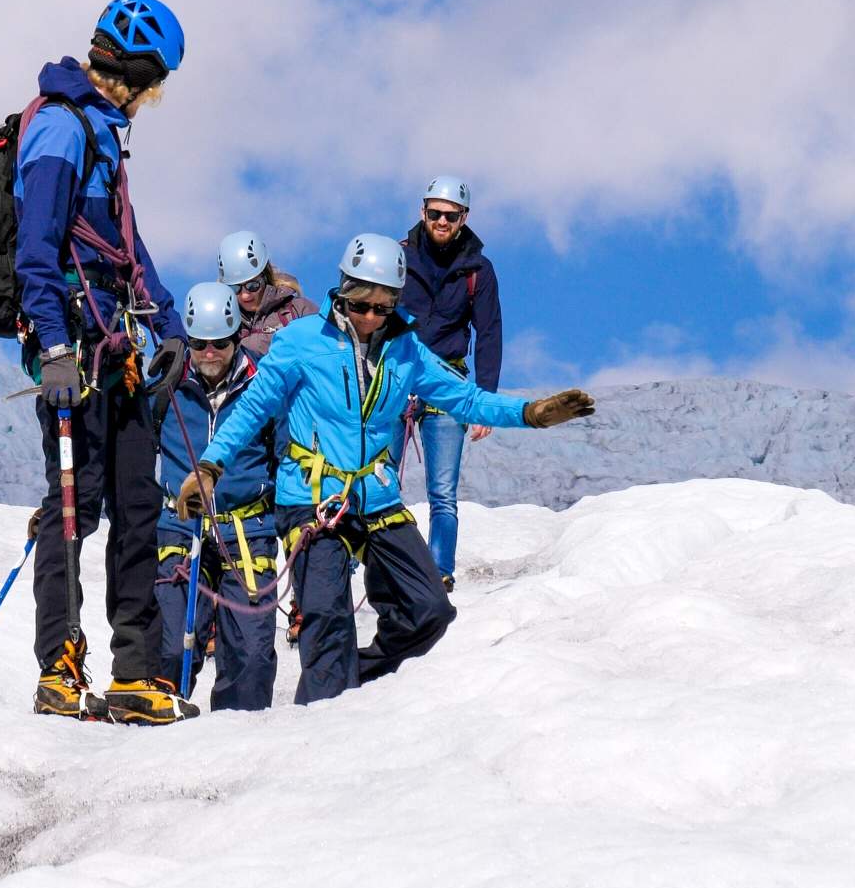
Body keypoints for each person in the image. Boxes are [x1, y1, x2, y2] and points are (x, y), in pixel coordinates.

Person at [175, 234, 595, 705]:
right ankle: (321, 723)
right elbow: (253, 408)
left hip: (376, 498)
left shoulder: (406, 349)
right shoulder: (299, 343)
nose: (371, 317)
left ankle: (352, 675)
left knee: (430, 610)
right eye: (361, 306)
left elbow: (465, 398)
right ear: (342, 294)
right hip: (313, 499)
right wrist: (210, 465)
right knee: (327, 620)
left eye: (383, 307)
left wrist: (530, 413)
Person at [18, 0, 197, 725]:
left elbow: (124, 246)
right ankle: (58, 671)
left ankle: (135, 674)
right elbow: (36, 251)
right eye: (155, 77)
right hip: (73, 357)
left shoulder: (102, 133)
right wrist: (55, 351)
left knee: (136, 507)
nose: (157, 95)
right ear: (135, 65)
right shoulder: (60, 129)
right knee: (73, 508)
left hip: (117, 350)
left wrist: (170, 324)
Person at [152, 283, 281, 712]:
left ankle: (237, 746)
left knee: (252, 656)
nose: (209, 352)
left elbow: (285, 454)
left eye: (220, 343)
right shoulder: (164, 385)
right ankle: (160, 733)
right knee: (171, 645)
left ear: (236, 337)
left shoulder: (264, 386)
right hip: (180, 526)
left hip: (248, 531)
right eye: (200, 343)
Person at [399, 178, 502, 590]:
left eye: (451, 215)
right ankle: (372, 563)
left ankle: (439, 572)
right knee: (378, 476)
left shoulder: (478, 270)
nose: (442, 221)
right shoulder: (397, 258)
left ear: (464, 218)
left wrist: (485, 400)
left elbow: (489, 332)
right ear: (422, 211)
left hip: (448, 382)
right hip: (395, 380)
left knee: (442, 491)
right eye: (435, 212)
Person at [216, 230, 317, 357]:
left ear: (265, 276)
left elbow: (325, 354)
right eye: (235, 288)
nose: (245, 295)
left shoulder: (298, 310)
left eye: (252, 286)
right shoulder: (221, 323)